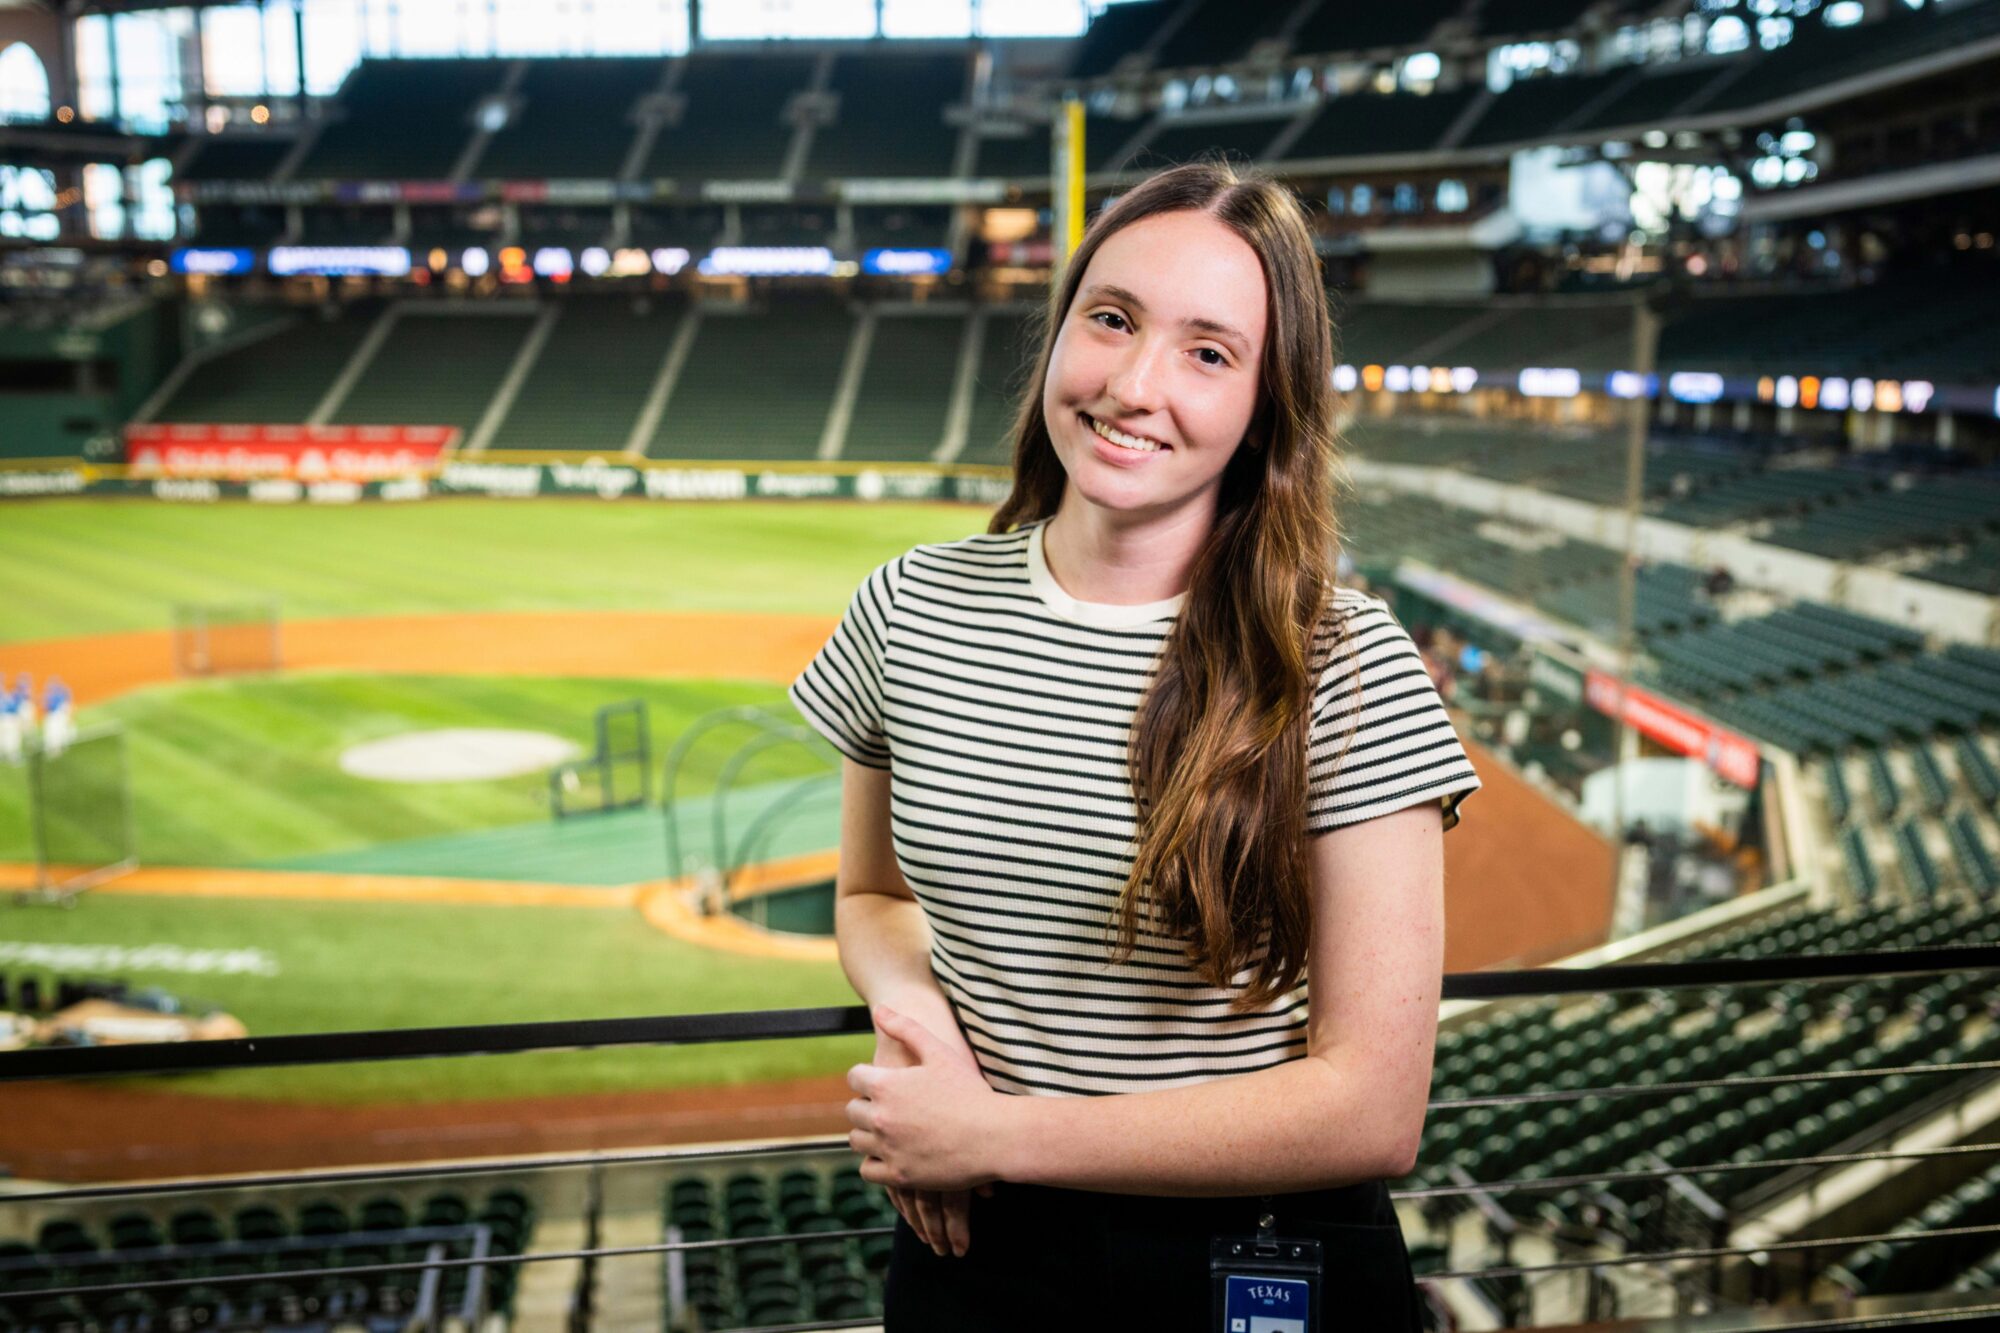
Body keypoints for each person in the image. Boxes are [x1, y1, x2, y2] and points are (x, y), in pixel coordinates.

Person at [788, 160, 1482, 1330]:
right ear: (1058, 332)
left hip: (1244, 1267)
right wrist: (923, 1044)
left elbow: (1372, 1107)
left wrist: (992, 1132)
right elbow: (870, 894)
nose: (1132, 382)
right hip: (967, 1245)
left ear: (1267, 402)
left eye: (1208, 352)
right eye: (1109, 319)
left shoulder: (1346, 661)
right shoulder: (908, 605)